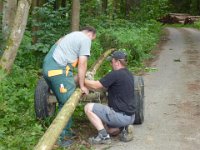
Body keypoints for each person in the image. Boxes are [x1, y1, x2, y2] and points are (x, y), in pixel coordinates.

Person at [42, 26, 96, 147]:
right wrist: (82, 85)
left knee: (62, 99)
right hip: (58, 71)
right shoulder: (85, 39)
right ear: (90, 34)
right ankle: (63, 138)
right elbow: (82, 63)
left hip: (47, 69)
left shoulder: (69, 35)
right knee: (67, 102)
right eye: (92, 39)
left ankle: (66, 131)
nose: (91, 42)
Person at [84, 50, 136, 144]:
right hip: (131, 116)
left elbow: (96, 85)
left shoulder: (115, 74)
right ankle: (123, 128)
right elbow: (104, 87)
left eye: (111, 61)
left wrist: (81, 80)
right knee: (109, 130)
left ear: (117, 62)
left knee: (88, 108)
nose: (110, 64)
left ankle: (104, 137)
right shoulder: (128, 74)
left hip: (120, 116)